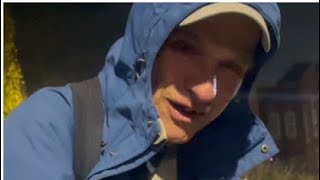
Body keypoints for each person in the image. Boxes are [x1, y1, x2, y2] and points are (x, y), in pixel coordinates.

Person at [4, 3, 281, 180]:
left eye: (231, 67)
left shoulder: (218, 158)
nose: (207, 91)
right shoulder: (48, 128)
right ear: (144, 43)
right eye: (185, 48)